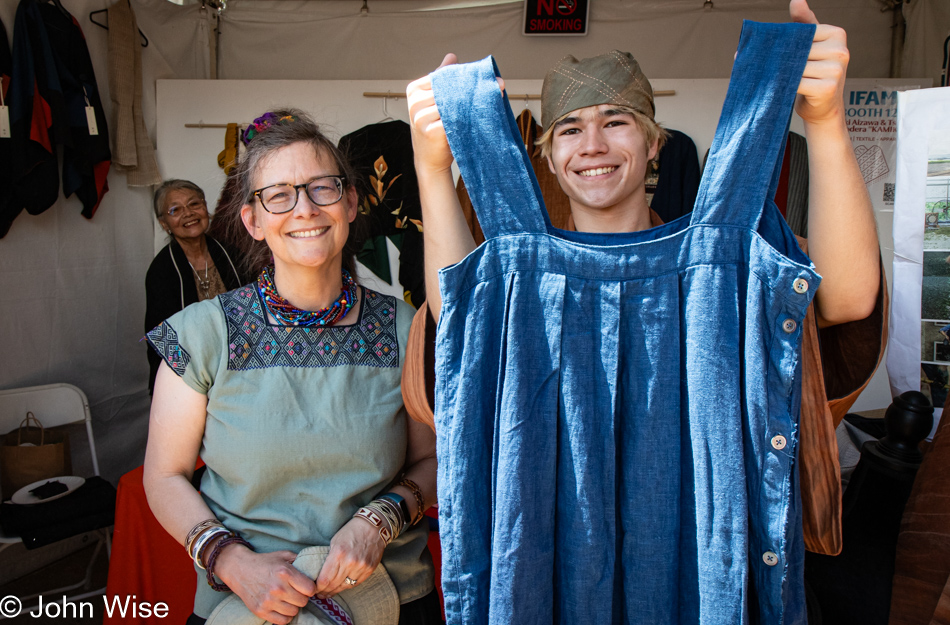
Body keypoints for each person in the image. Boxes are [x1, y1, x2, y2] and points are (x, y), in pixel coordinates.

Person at [405, 0, 885, 622]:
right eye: (570, 129)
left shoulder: (726, 260)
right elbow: (459, 321)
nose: (593, 144)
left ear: (656, 142)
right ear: (547, 155)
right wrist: (432, 167)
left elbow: (848, 301)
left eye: (617, 121)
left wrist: (824, 124)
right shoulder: (514, 276)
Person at [143, 110, 440, 625]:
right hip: (246, 602)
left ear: (350, 203)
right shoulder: (201, 333)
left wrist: (379, 521)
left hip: (388, 597)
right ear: (252, 221)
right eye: (278, 194)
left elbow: (433, 463)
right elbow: (164, 475)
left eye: (321, 188)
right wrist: (232, 562)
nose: (304, 208)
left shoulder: (403, 327)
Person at [144, 180, 245, 394]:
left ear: (205, 208)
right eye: (175, 210)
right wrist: (190, 387)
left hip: (239, 367)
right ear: (164, 224)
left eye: (194, 204)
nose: (188, 213)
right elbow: (162, 337)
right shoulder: (162, 271)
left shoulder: (231, 255)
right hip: (193, 376)